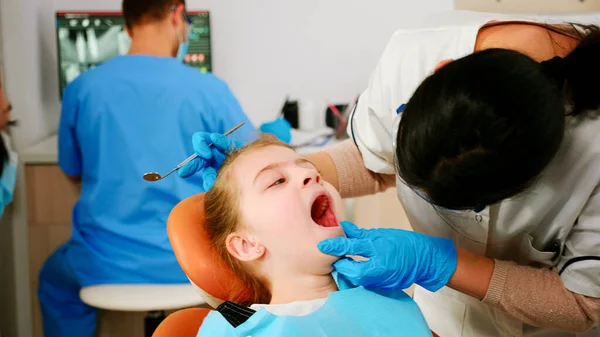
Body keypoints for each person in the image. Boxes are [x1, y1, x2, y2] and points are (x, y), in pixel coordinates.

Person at [181, 11, 600, 336]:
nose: (310, 175)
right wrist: (239, 174)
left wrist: (438, 261)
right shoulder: (235, 327)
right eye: (279, 180)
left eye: (306, 169)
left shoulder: (392, 305)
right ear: (439, 71)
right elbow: (370, 159)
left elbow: (584, 301)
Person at [39, 0, 257, 336]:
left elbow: (72, 171)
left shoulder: (82, 88)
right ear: (175, 14)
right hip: (193, 260)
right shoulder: (209, 89)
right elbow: (249, 159)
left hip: (104, 261)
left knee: (54, 280)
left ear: (126, 26)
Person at [196, 134, 434, 336]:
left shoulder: (385, 295)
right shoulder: (240, 329)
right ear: (246, 245)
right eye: (277, 181)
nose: (313, 177)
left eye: (313, 170)